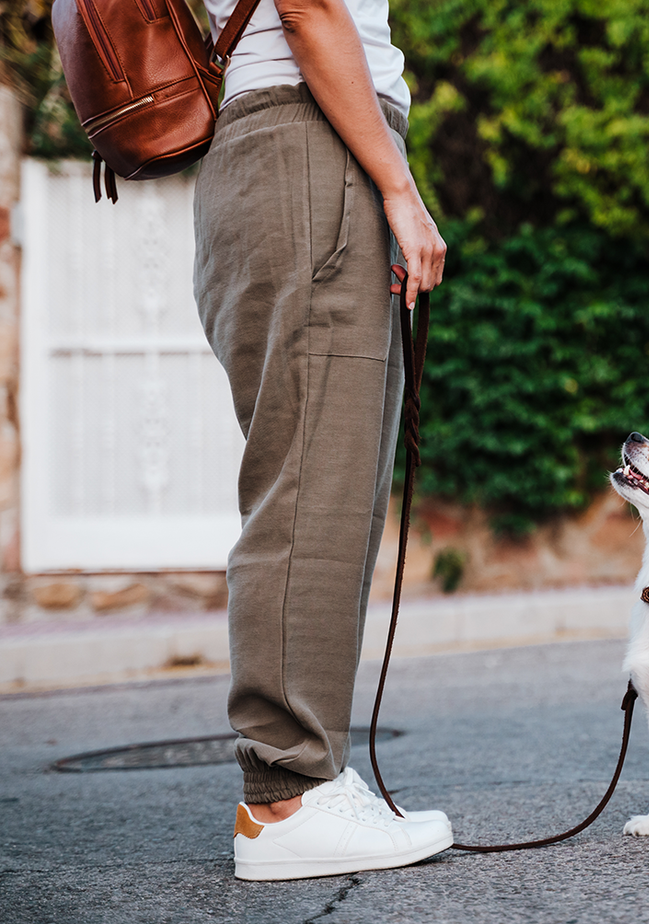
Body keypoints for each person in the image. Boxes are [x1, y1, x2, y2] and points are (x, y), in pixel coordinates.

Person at [192, 0, 450, 881]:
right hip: (309, 147)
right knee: (312, 483)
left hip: (293, 150)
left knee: (325, 480)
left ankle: (307, 780)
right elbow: (307, 9)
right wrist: (398, 187)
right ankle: (287, 796)